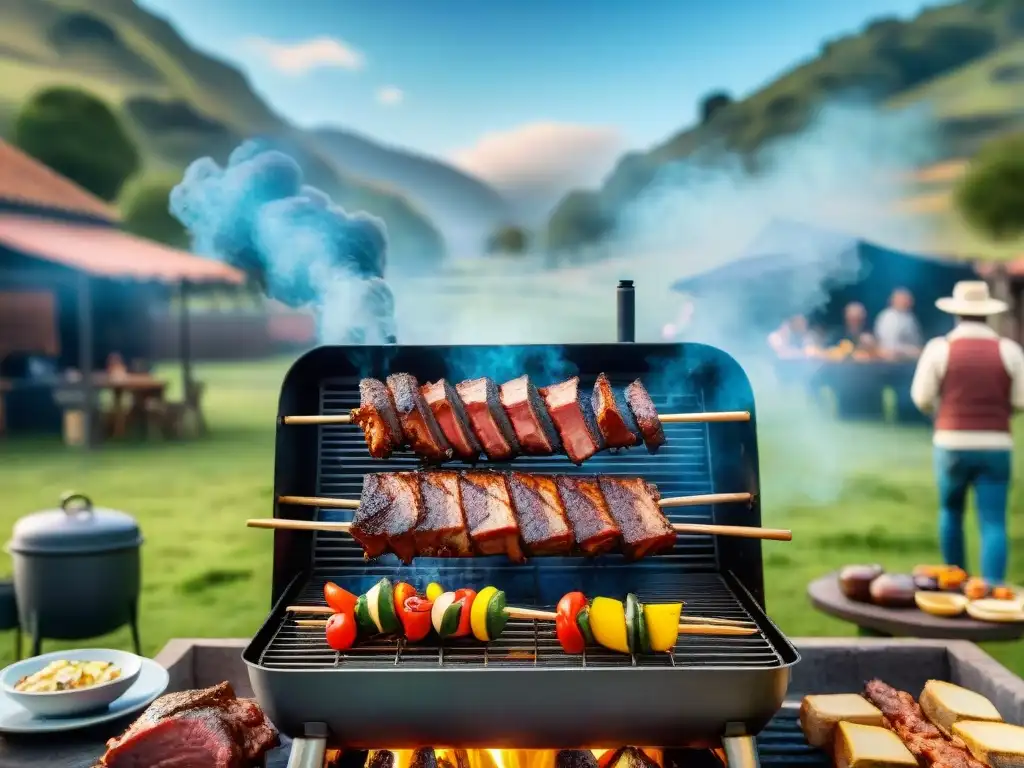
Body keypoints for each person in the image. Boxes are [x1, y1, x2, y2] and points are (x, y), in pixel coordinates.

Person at [910, 281, 1024, 585]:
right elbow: (1020, 401)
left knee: (951, 512)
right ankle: (991, 592)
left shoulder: (940, 348)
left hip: (951, 444)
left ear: (956, 314)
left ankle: (956, 584)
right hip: (997, 444)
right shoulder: (1009, 350)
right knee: (994, 522)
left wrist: (943, 410)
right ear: (988, 314)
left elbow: (921, 397)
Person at [874, 288, 923, 358]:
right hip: (892, 359)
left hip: (910, 358)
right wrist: (911, 351)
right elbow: (889, 346)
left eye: (908, 299)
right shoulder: (887, 317)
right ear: (893, 300)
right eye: (903, 299)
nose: (907, 301)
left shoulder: (910, 317)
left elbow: (916, 340)